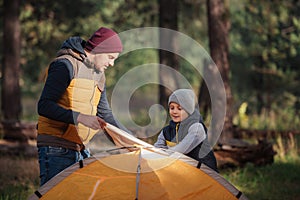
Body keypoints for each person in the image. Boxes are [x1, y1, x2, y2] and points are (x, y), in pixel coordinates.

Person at [37, 27, 128, 186]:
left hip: (81, 148)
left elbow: (105, 114)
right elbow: (44, 106)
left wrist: (131, 141)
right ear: (99, 49)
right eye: (110, 57)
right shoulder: (65, 65)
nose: (112, 63)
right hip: (56, 148)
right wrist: (80, 117)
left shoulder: (99, 74)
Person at [154, 89, 218, 172]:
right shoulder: (166, 131)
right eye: (172, 108)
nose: (174, 112)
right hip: (183, 170)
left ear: (189, 110)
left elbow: (182, 149)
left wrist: (163, 154)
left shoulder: (197, 128)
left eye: (179, 109)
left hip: (203, 171)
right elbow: (156, 149)